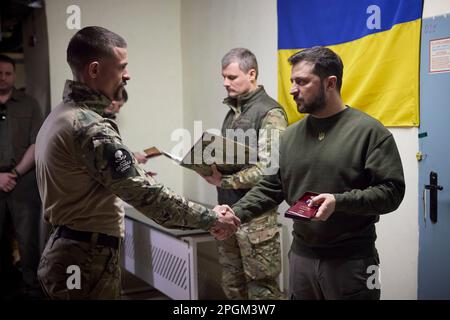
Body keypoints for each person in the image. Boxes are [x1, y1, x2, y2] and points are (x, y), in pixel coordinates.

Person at [34, 26, 239, 300]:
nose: (127, 75)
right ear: (94, 70)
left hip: (73, 252)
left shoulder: (63, 114)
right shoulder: (89, 127)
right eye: (121, 67)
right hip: (85, 259)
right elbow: (146, 195)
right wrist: (212, 217)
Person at [221, 46, 405, 300]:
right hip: (301, 258)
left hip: (354, 262)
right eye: (292, 81)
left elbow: (391, 192)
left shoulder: (370, 132)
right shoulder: (290, 137)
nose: (293, 89)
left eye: (302, 81)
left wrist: (338, 202)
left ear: (330, 83)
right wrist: (234, 214)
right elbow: (271, 187)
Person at [200, 48, 287, 300]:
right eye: (223, 77)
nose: (225, 83)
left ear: (252, 74)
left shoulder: (270, 112)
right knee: (233, 284)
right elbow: (236, 160)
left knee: (262, 290)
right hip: (228, 210)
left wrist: (225, 180)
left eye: (232, 77)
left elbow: (270, 167)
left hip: (256, 217)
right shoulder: (233, 112)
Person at [0, 54, 44, 299]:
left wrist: (14, 173)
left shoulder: (29, 104)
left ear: (14, 75)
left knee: (28, 242)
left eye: (8, 73)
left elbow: (37, 143)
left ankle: (32, 291)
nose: (3, 78)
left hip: (23, 182)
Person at [103, 88, 149, 165]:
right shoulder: (99, 123)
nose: (118, 111)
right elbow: (108, 157)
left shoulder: (105, 121)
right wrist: (133, 157)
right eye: (119, 106)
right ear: (112, 102)